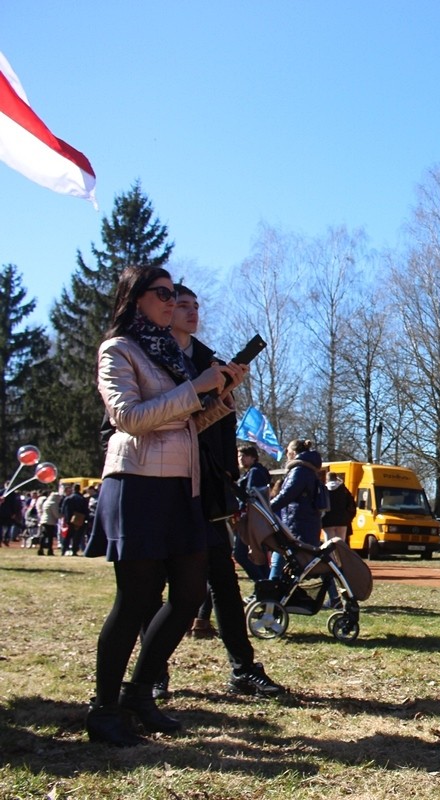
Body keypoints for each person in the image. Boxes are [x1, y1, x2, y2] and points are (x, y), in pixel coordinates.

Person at [86, 265, 245, 746]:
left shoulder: (170, 355)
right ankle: (104, 708)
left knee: (188, 594)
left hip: (181, 485)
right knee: (135, 600)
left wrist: (219, 398)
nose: (172, 300)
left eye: (174, 293)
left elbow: (184, 424)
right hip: (135, 483)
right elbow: (129, 418)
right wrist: (194, 389)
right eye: (163, 294)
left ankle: (139, 693)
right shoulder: (118, 350)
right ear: (136, 299)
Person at [162, 283, 285, 697]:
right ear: (163, 309)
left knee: (224, 583)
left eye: (196, 306)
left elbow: (215, 428)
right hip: (166, 483)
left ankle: (244, 668)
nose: (192, 312)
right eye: (182, 305)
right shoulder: (154, 357)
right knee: (158, 585)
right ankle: (153, 673)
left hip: (210, 489)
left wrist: (224, 397)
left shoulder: (208, 360)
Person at [267, 439, 327, 610]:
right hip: (302, 522)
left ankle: (271, 600)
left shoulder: (299, 471)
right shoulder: (308, 469)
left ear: (293, 453)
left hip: (297, 523)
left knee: (284, 560)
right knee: (314, 563)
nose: (286, 455)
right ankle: (272, 598)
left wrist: (268, 508)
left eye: (287, 452)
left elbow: (287, 494)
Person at [235, 445, 271, 582]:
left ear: (253, 457)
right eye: (239, 456)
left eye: (244, 456)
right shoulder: (255, 472)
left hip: (251, 519)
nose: (240, 459)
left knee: (240, 554)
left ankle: (261, 583)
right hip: (257, 519)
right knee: (259, 556)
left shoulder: (255, 472)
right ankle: (267, 586)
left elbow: (251, 496)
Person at [321, 469, 356, 542]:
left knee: (329, 544)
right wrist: (348, 518)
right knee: (341, 544)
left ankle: (331, 554)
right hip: (342, 521)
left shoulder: (323, 490)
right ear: (336, 478)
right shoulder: (343, 490)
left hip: (327, 521)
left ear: (327, 479)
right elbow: (352, 505)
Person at [60, 483, 90, 556]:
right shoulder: (82, 498)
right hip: (80, 519)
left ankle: (63, 550)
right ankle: (74, 550)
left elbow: (63, 510)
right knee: (77, 536)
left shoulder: (68, 498)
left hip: (70, 519)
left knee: (67, 536)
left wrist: (66, 519)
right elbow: (86, 510)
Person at [37, 482, 62, 556]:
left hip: (43, 520)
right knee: (50, 537)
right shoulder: (53, 503)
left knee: (43, 536)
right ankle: (50, 550)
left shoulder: (46, 502)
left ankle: (40, 549)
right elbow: (56, 514)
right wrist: (61, 516)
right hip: (50, 522)